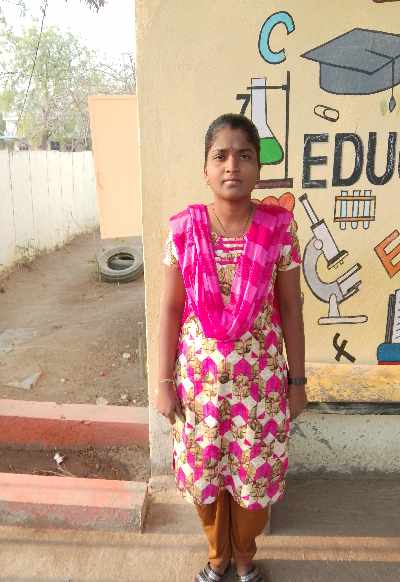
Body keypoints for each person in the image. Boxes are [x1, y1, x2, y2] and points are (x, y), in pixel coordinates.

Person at [156, 113, 307, 582]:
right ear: (205, 168)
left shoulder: (279, 230)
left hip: (260, 390)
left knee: (253, 480)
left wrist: (297, 381)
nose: (232, 165)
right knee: (205, 477)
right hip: (198, 391)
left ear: (259, 168)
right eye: (220, 155)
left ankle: (244, 557)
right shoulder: (183, 232)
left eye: (244, 156)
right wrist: (162, 382)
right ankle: (216, 557)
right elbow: (169, 310)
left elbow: (291, 309)